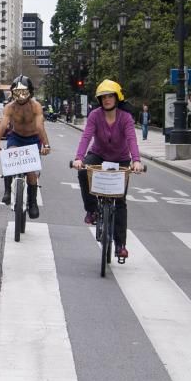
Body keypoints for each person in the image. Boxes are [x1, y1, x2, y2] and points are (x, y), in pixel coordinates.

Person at [72, 80, 144, 261]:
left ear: (117, 97)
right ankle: (92, 210)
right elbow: (86, 136)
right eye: (103, 97)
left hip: (121, 159)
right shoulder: (95, 116)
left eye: (110, 96)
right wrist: (79, 158)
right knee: (82, 171)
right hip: (98, 155)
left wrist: (136, 161)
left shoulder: (125, 117)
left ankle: (120, 245)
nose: (107, 100)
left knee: (119, 202)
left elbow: (131, 139)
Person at [0, 75, 50, 218]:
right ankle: (7, 192)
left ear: (30, 92)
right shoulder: (9, 107)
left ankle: (32, 202)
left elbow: (40, 126)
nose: (21, 96)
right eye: (17, 92)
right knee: (9, 157)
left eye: (24, 92)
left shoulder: (36, 106)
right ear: (13, 92)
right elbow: (2, 126)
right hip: (16, 138)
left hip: (33, 138)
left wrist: (46, 144)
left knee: (31, 173)